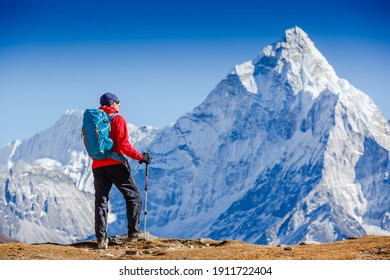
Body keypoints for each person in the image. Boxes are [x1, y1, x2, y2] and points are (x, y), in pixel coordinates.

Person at [92, 92, 151, 249]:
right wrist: (140, 157)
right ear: (112, 103)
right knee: (133, 196)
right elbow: (124, 146)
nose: (120, 104)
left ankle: (101, 239)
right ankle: (133, 235)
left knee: (101, 201)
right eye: (118, 102)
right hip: (116, 164)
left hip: (98, 165)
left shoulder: (95, 121)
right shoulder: (118, 119)